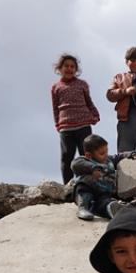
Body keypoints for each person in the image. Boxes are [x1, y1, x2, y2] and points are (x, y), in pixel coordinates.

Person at [51, 53, 101, 184]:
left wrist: (95, 115)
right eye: (66, 66)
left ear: (76, 69)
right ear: (60, 68)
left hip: (83, 126)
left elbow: (89, 102)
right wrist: (57, 124)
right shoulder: (56, 88)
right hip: (66, 128)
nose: (69, 69)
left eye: (72, 66)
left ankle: (89, 183)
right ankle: (68, 186)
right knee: (66, 157)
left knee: (87, 156)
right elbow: (55, 108)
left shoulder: (82, 84)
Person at [70, 134, 136, 221]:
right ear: (89, 155)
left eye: (106, 151)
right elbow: (75, 164)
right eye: (102, 153)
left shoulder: (108, 160)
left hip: (104, 193)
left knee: (105, 203)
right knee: (83, 187)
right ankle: (83, 208)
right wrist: (93, 168)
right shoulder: (84, 160)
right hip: (89, 190)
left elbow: (119, 156)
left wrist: (132, 154)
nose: (105, 155)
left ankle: (110, 209)